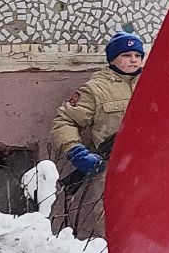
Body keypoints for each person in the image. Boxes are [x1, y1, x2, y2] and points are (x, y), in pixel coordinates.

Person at [49, 33, 145, 238]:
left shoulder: (153, 85)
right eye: (126, 55)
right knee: (111, 220)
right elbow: (64, 122)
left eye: (138, 54)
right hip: (111, 165)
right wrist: (76, 152)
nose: (134, 59)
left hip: (150, 163)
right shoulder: (95, 90)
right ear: (112, 59)